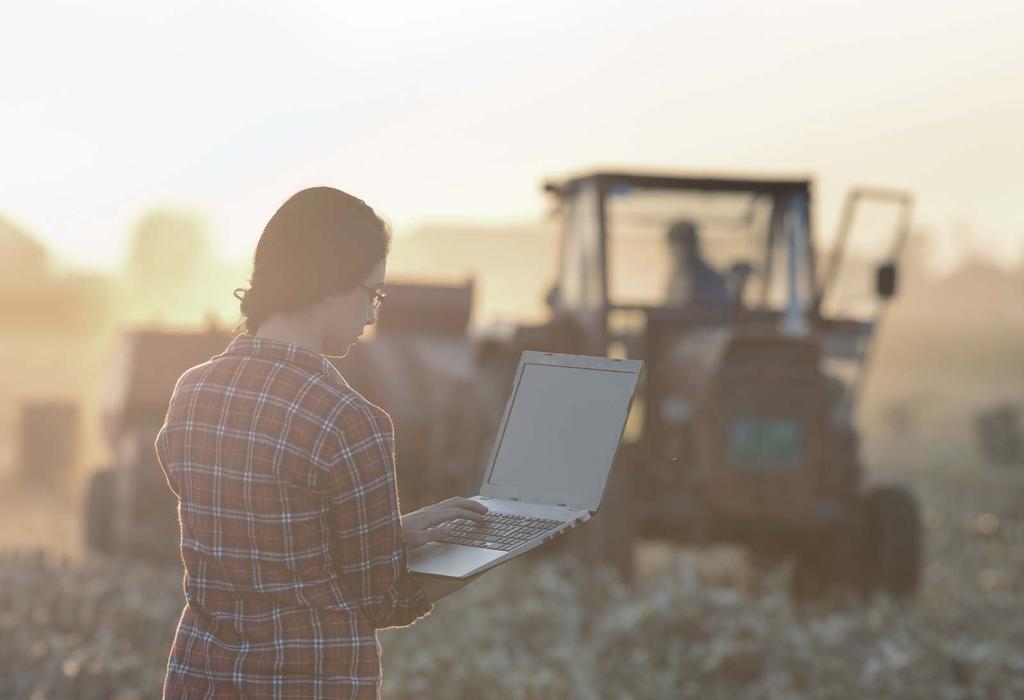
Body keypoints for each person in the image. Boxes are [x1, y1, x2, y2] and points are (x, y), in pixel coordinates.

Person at [156, 186, 489, 698]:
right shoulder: (351, 422)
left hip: (201, 680)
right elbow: (385, 602)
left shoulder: (191, 392)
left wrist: (388, 533)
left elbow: (264, 539)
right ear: (329, 285)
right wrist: (478, 554)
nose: (374, 315)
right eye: (372, 293)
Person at [664, 220, 732, 306]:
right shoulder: (676, 276)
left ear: (693, 245)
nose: (677, 252)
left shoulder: (710, 279)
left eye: (683, 244)